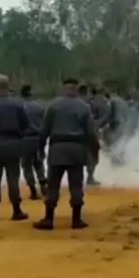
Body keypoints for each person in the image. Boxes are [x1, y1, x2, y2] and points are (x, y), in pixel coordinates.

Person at [33, 77, 99, 231]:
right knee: (76, 185)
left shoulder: (53, 105)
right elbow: (90, 133)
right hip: (77, 150)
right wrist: (94, 151)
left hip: (57, 148)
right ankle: (76, 219)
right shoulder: (83, 107)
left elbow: (44, 130)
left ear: (64, 88)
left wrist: (40, 149)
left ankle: (49, 218)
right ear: (76, 89)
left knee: (53, 184)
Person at [0, 75, 29, 222]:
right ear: (8, 86)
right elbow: (25, 124)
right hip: (13, 143)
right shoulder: (17, 104)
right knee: (13, 178)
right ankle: (16, 210)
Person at [20, 84, 46, 200]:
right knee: (38, 162)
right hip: (37, 137)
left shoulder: (19, 107)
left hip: (24, 138)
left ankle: (33, 190)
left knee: (26, 165)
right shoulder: (39, 106)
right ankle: (43, 184)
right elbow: (44, 123)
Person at [78, 84, 101, 186]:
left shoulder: (75, 102)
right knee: (92, 155)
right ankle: (90, 177)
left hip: (76, 133)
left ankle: (79, 177)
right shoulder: (89, 103)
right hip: (88, 133)